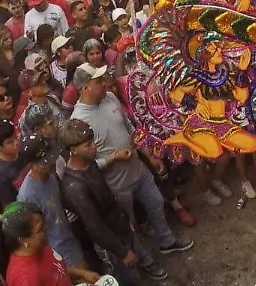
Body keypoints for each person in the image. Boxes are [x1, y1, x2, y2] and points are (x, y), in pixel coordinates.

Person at [68, 64, 193, 256]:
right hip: (116, 185)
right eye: (98, 81)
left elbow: (130, 129)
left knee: (156, 203)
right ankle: (144, 260)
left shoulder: (109, 98)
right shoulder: (79, 120)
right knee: (129, 224)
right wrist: (113, 158)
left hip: (138, 170)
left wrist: (150, 157)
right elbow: (87, 167)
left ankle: (167, 241)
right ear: (85, 88)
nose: (104, 84)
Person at [58, 119, 168, 282]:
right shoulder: (75, 187)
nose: (94, 146)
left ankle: (146, 264)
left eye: (92, 142)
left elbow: (107, 195)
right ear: (73, 150)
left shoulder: (89, 163)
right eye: (88, 145)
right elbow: (96, 227)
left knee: (136, 256)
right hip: (111, 242)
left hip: (120, 225)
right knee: (129, 278)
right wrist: (122, 252)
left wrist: (124, 219)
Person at [13, 135, 87, 281]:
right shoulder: (28, 197)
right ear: (31, 164)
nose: (52, 163)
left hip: (71, 242)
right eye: (45, 162)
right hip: (59, 254)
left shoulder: (50, 175)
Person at [0, 202, 100, 286]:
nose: (46, 229)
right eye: (40, 229)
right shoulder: (25, 279)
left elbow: (57, 269)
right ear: (23, 239)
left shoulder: (39, 247)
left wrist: (84, 274)